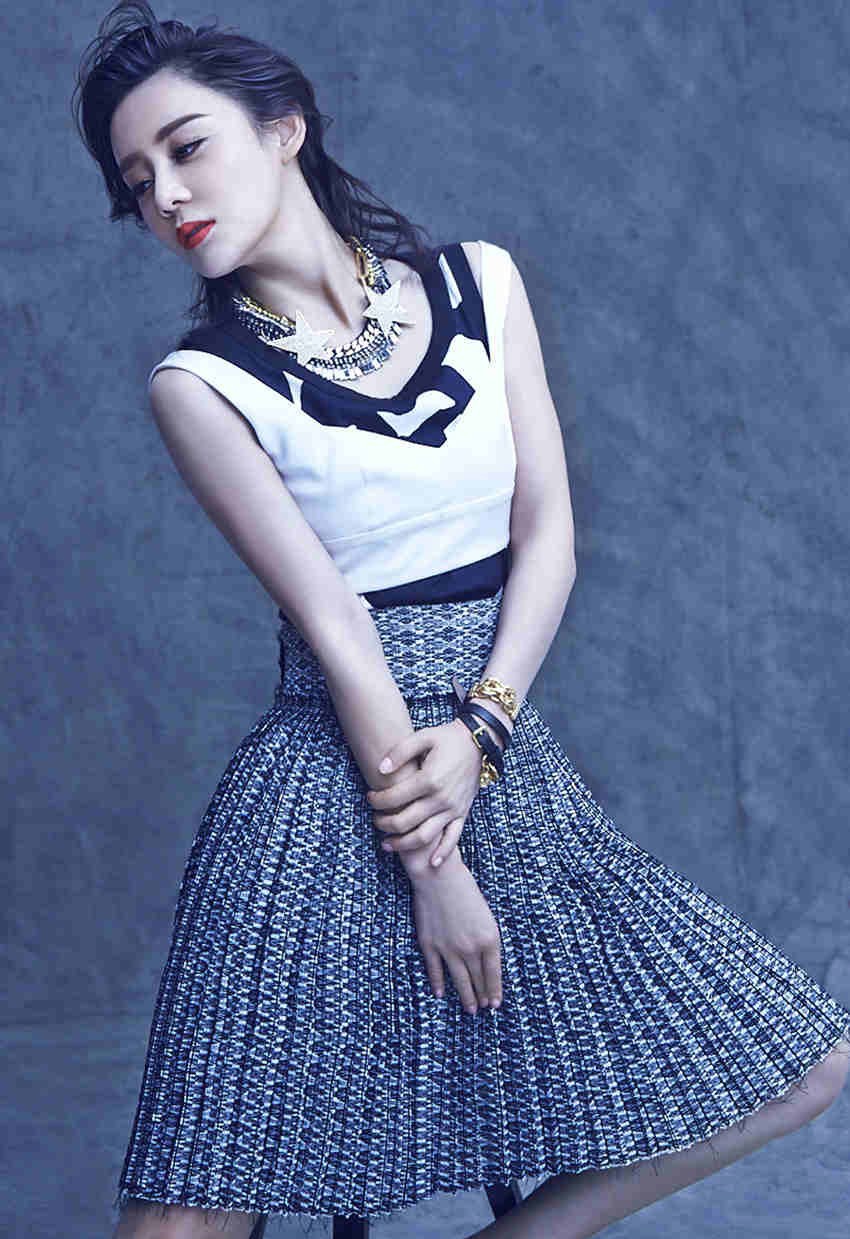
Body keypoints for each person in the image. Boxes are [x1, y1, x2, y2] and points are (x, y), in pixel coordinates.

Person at [73, 4, 850, 1237]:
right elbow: (333, 624)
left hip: (495, 756)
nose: (165, 196)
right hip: (327, 785)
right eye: (137, 181)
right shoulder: (201, 385)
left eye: (186, 147)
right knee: (183, 1223)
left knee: (803, 1065)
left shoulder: (481, 282)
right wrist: (435, 872)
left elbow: (548, 534)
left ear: (283, 129)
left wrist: (484, 728)